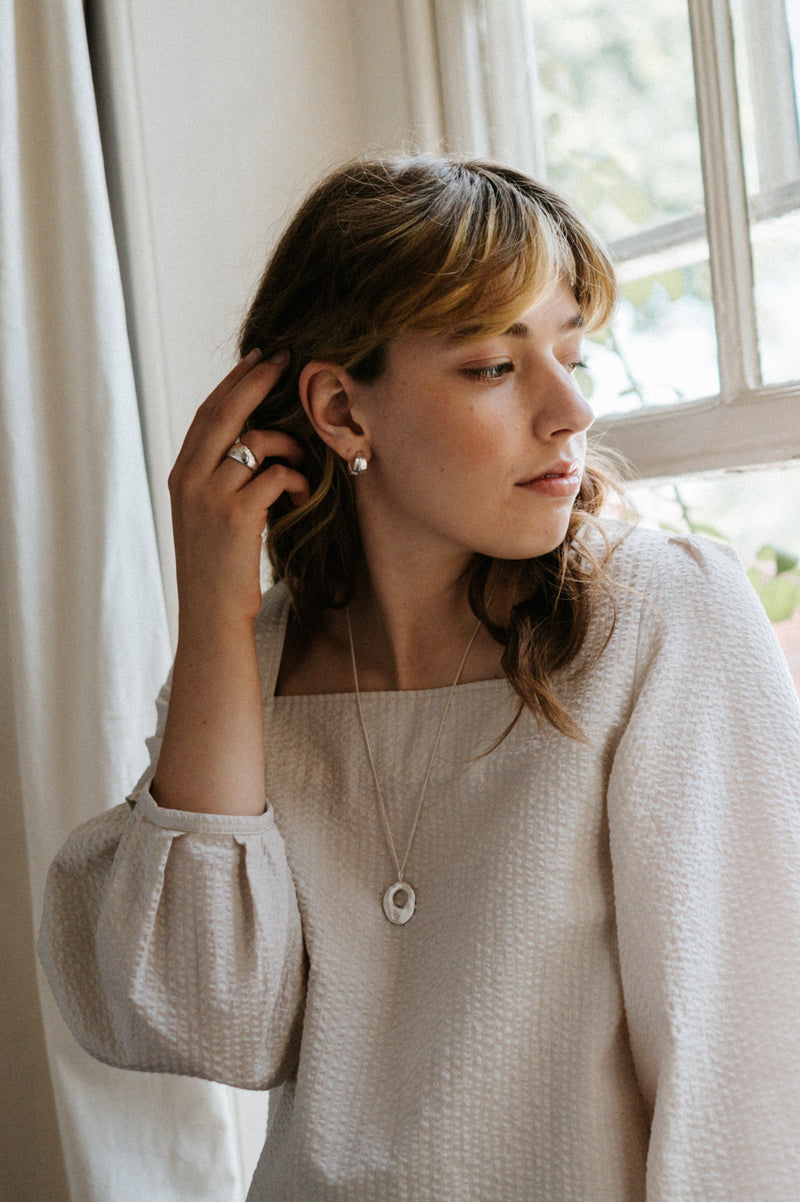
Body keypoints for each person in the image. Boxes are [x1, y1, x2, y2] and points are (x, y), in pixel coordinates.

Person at [39, 156, 800, 1200]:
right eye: (495, 364)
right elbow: (199, 1019)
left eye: (571, 352)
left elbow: (749, 1084)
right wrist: (214, 611)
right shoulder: (249, 669)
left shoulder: (656, 619)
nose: (570, 409)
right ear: (343, 411)